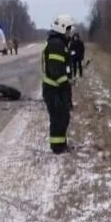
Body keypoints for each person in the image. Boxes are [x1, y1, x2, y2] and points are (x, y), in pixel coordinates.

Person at [42, 14, 75, 154]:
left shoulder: (59, 43)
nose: (70, 33)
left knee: (63, 116)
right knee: (58, 118)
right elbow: (56, 70)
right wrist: (66, 84)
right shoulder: (56, 44)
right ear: (62, 28)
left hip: (57, 89)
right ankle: (57, 148)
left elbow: (61, 67)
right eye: (68, 29)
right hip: (54, 89)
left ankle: (61, 145)